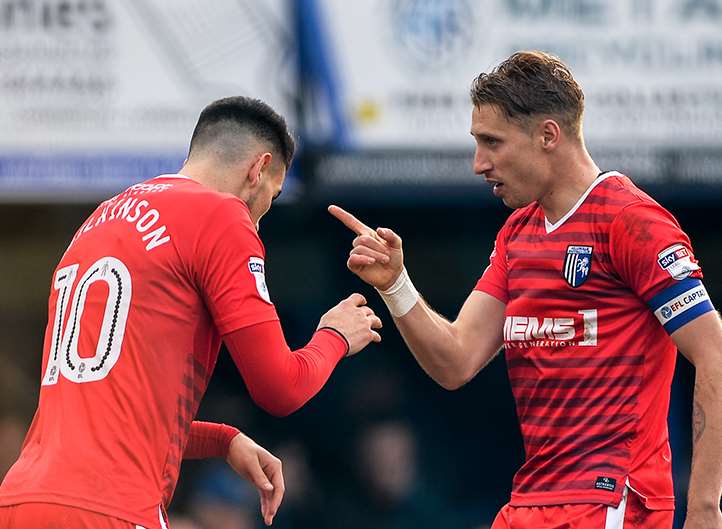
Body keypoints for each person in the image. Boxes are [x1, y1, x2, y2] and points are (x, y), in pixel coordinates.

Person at [330, 51, 722, 529]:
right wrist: (396, 285)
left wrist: (704, 509)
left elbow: (714, 352)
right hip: (530, 501)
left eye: (491, 142)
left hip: (612, 500)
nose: (479, 164)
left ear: (548, 135)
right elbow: (456, 360)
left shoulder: (631, 222)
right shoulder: (518, 235)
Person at [0, 96, 382, 529]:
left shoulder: (100, 219)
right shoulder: (221, 216)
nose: (260, 219)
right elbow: (281, 388)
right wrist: (334, 336)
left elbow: (116, 416)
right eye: (270, 198)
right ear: (258, 169)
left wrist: (222, 440)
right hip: (111, 508)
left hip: (20, 501)